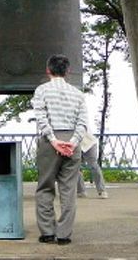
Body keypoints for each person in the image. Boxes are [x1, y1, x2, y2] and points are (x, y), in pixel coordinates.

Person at [31, 54, 88, 245]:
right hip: (72, 142)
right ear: (68, 71)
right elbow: (83, 123)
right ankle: (64, 235)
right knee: (68, 190)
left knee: (45, 187)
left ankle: (47, 232)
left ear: (48, 70)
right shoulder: (78, 94)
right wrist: (72, 142)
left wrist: (54, 141)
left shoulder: (42, 90)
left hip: (50, 142)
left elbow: (41, 117)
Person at [76, 130, 108, 199]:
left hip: (89, 143)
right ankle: (81, 191)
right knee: (76, 167)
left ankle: (102, 190)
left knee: (94, 165)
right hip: (76, 145)